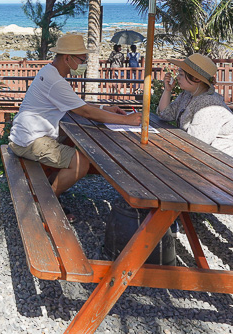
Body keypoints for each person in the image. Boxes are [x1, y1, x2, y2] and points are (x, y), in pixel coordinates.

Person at [9, 34, 142, 215]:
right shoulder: (55, 81)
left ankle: (48, 188)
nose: (84, 63)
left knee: (72, 146)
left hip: (25, 136)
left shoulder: (50, 72)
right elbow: (85, 111)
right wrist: (127, 120)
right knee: (81, 163)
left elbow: (76, 104)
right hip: (30, 141)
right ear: (67, 58)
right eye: (82, 59)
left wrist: (105, 108)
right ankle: (46, 204)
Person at [157, 53, 233, 159]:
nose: (177, 78)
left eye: (181, 74)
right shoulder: (187, 95)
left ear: (196, 79)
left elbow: (196, 143)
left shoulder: (210, 104)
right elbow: (165, 114)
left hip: (220, 164)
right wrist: (167, 90)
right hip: (199, 157)